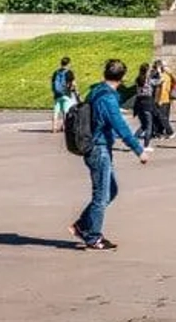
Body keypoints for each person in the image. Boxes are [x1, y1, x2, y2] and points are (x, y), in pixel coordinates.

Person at [70, 59, 150, 250]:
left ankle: (82, 225)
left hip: (97, 145)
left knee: (111, 191)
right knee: (101, 196)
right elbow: (120, 126)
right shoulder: (108, 98)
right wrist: (139, 150)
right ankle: (93, 237)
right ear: (122, 77)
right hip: (98, 148)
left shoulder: (96, 90)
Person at [132, 64, 157, 150]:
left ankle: (133, 141)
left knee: (143, 125)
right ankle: (146, 145)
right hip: (147, 103)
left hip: (139, 103)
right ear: (147, 71)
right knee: (149, 125)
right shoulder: (148, 80)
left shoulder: (138, 79)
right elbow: (159, 81)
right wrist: (159, 72)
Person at [152, 59, 176, 139]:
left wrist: (160, 100)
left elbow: (163, 88)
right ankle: (160, 132)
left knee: (161, 117)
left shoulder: (163, 76)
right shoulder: (168, 75)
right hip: (166, 98)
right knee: (163, 116)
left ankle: (170, 132)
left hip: (162, 98)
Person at [50, 57, 73, 133]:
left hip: (57, 95)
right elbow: (73, 84)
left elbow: (53, 83)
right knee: (66, 111)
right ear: (68, 64)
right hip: (66, 94)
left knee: (56, 111)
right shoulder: (69, 72)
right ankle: (65, 127)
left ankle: (54, 127)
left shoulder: (56, 72)